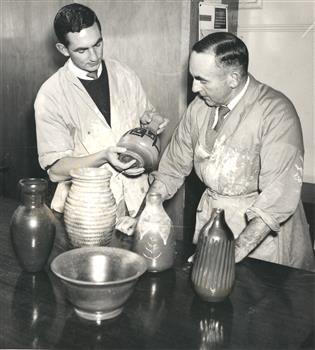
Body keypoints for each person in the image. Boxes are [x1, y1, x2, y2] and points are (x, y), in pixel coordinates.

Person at [147, 32, 315, 271]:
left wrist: (229, 254)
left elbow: (276, 200)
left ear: (233, 78)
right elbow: (171, 168)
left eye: (202, 80)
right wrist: (148, 210)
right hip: (213, 226)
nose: (194, 88)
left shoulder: (276, 113)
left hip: (262, 239)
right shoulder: (199, 109)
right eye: (193, 78)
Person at [34, 3, 168, 220]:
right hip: (86, 208)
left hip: (135, 200)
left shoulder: (124, 75)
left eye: (98, 44)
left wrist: (150, 123)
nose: (94, 56)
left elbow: (143, 122)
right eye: (81, 50)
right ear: (62, 49)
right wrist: (103, 157)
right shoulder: (51, 95)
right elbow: (56, 170)